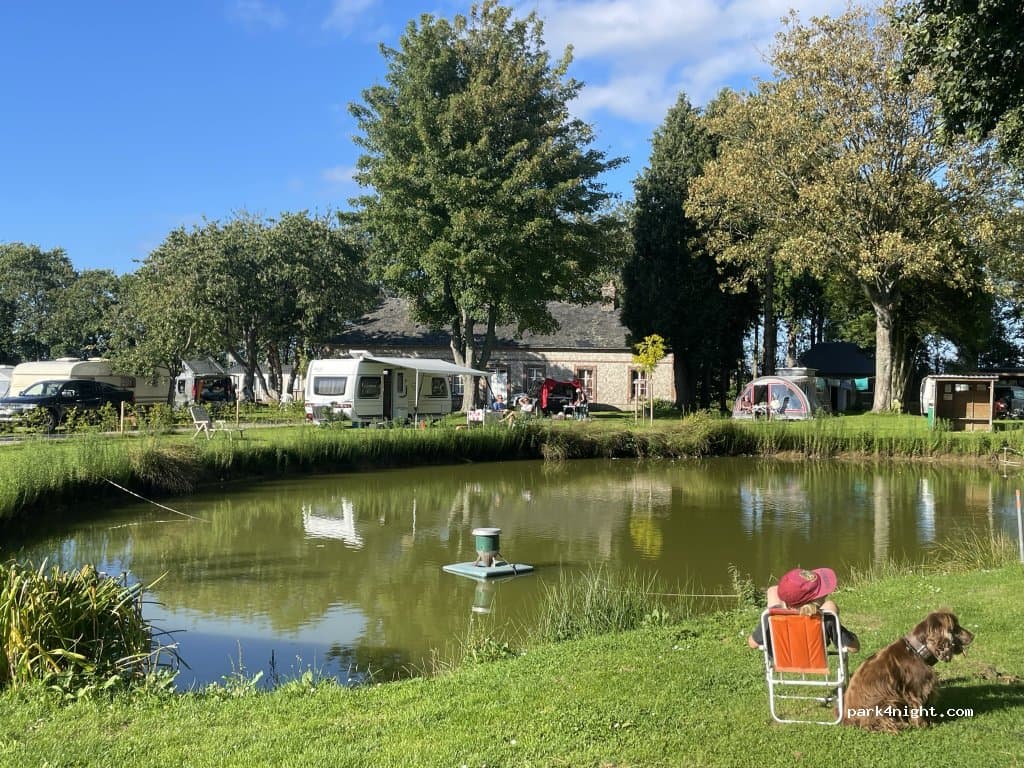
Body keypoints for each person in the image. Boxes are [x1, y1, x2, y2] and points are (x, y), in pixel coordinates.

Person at [747, 567, 859, 652]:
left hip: (783, 656)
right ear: (815, 600)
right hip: (814, 655)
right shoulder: (826, 618)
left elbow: (753, 644)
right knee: (830, 605)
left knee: (772, 590)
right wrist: (852, 637)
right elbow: (854, 648)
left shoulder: (772, 616)